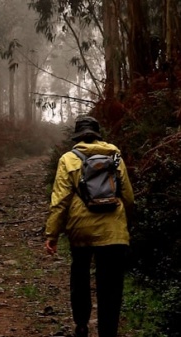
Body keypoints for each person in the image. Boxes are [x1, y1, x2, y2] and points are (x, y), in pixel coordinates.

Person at [44, 116, 134, 337]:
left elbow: (60, 200)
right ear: (97, 135)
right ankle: (108, 331)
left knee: (80, 275)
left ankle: (82, 324)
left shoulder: (68, 159)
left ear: (77, 136)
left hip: (80, 228)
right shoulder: (115, 156)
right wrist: (124, 222)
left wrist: (52, 234)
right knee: (111, 284)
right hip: (113, 230)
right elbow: (128, 196)